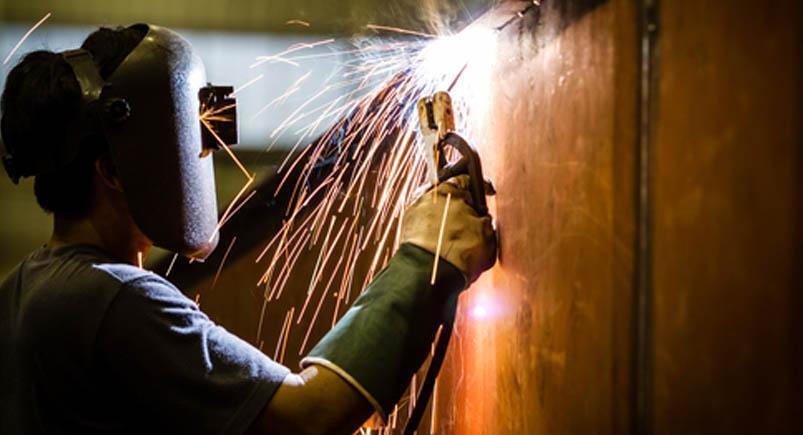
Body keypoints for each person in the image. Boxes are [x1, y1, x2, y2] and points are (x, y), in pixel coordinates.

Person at [0, 24, 496, 434]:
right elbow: (308, 417)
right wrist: (425, 257)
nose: (201, 152)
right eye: (184, 138)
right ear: (111, 170)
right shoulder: (111, 299)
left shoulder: (23, 291)